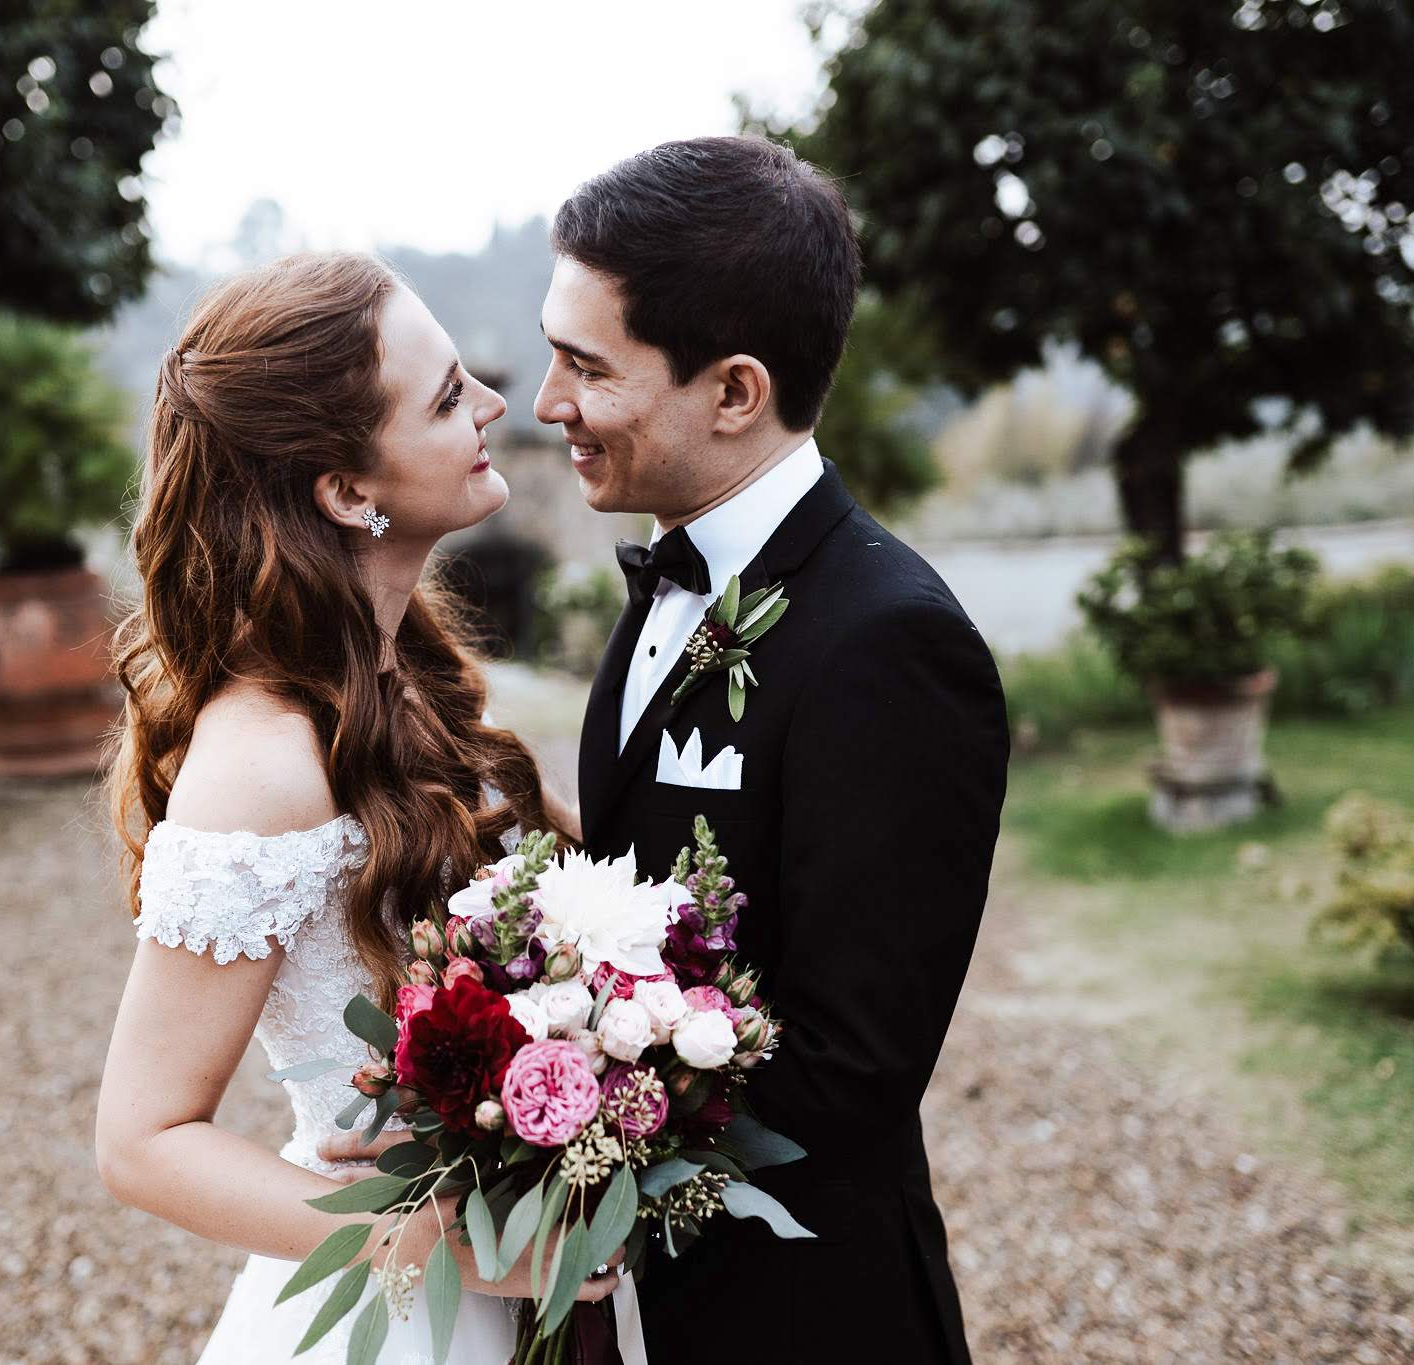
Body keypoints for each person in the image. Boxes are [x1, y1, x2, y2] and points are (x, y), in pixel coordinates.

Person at [535, 136, 1011, 1363]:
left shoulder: (890, 644)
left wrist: (572, 1149)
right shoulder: (664, 572)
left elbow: (851, 1066)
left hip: (798, 1313)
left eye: (585, 367)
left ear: (734, 392)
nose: (548, 405)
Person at [93, 251, 610, 1364]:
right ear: (344, 489)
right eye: (443, 398)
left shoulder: (408, 678)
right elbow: (141, 1141)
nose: (490, 405)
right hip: (400, 1317)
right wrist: (445, 1243)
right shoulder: (261, 759)